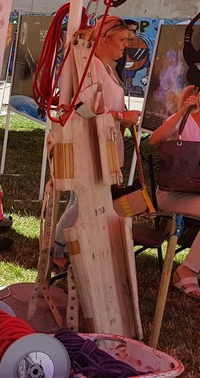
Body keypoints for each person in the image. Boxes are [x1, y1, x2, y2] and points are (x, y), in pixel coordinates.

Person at [52, 15, 142, 268]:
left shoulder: (105, 67)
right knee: (85, 200)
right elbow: (85, 107)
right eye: (122, 39)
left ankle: (68, 245)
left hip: (104, 143)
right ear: (104, 40)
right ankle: (59, 247)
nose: (126, 44)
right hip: (92, 144)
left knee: (80, 199)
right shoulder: (91, 65)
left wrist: (121, 117)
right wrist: (121, 117)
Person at [149, 85, 200, 300]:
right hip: (172, 193)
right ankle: (187, 270)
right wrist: (182, 111)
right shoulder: (183, 118)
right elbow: (154, 140)